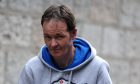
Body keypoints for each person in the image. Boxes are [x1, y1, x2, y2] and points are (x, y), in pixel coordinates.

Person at [18, 5, 112, 84]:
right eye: (48, 37)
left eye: (59, 36)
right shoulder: (31, 69)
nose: (53, 44)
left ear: (73, 34)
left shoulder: (98, 68)